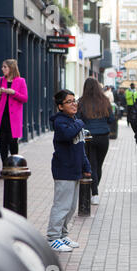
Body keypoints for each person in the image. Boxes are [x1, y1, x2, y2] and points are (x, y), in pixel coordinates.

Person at [47, 89, 92, 252]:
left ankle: (63, 234)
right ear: (60, 106)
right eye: (69, 101)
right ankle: (53, 237)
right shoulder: (60, 122)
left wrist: (86, 167)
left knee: (71, 206)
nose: (74, 104)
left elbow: (80, 148)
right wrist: (80, 123)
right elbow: (67, 135)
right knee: (62, 205)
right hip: (63, 169)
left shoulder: (74, 121)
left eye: (75, 100)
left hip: (75, 169)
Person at [77, 78, 115, 205]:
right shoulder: (105, 101)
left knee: (91, 164)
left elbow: (78, 120)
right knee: (98, 165)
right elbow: (111, 119)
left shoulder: (81, 102)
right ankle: (94, 191)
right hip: (103, 137)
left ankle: (93, 192)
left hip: (89, 137)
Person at [0, 59, 28, 165]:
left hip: (14, 118)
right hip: (2, 116)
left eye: (5, 67)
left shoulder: (21, 81)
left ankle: (14, 166)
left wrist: (13, 92)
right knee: (2, 143)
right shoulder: (0, 80)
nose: (2, 69)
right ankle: (4, 167)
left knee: (13, 142)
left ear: (11, 68)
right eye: (2, 67)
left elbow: (25, 98)